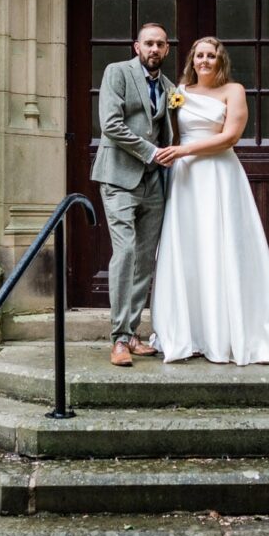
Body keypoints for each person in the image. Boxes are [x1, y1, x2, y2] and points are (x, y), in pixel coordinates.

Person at [151, 36, 269, 365]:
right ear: (192, 59)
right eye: (199, 54)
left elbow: (230, 136)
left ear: (220, 60)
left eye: (210, 55)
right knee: (189, 248)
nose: (204, 60)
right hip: (186, 180)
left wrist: (184, 150)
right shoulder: (179, 93)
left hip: (219, 174)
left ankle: (227, 333)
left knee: (221, 246)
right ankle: (189, 334)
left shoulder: (234, 91)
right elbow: (163, 126)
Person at [92, 23, 176, 367]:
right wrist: (151, 152)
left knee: (144, 259)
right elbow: (110, 124)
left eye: (159, 44)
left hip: (154, 182)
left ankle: (133, 332)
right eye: (148, 43)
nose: (153, 49)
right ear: (136, 46)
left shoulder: (170, 86)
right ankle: (118, 339)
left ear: (166, 49)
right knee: (125, 253)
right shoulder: (118, 73)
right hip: (119, 178)